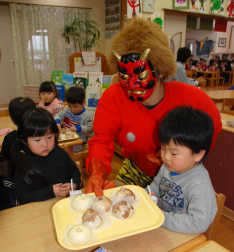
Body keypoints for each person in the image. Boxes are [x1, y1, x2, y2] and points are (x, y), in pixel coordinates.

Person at [85, 19, 222, 196]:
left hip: (177, 176)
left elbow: (213, 128)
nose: (131, 83)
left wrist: (175, 154)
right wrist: (97, 173)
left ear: (161, 70)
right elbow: (101, 140)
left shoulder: (192, 99)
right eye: (124, 75)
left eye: (140, 75)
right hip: (135, 170)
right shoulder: (113, 97)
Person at [146, 107, 217, 234]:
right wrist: (144, 197)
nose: (166, 157)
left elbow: (198, 223)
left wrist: (161, 218)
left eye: (173, 153)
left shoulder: (200, 185)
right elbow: (155, 187)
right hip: (160, 224)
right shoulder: (168, 167)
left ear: (198, 155)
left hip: (181, 233)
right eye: (163, 148)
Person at [11, 108, 81, 204]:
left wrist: (73, 185)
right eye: (37, 140)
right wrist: (50, 192)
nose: (45, 144)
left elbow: (74, 172)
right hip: (40, 208)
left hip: (65, 203)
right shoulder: (23, 161)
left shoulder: (60, 153)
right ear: (24, 141)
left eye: (49, 137)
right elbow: (22, 196)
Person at [2, 97, 36, 177]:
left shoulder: (10, 138)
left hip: (17, 179)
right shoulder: (44, 135)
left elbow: (5, 157)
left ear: (12, 120)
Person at [55, 87, 93, 152]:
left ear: (83, 103)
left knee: (63, 151)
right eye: (69, 106)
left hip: (79, 141)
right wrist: (57, 122)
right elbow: (58, 115)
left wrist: (79, 128)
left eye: (75, 106)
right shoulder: (67, 109)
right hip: (67, 138)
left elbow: (90, 128)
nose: (72, 109)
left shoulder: (87, 115)